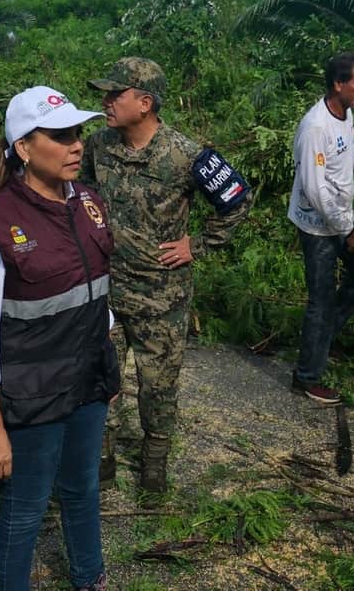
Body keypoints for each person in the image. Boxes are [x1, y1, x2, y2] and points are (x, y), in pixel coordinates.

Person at [0, 86, 118, 591]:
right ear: (24, 147)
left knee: (82, 488)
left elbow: (95, 292)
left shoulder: (88, 201)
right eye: (61, 135)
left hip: (88, 379)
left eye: (78, 133)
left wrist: (105, 362)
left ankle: (89, 577)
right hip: (32, 389)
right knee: (26, 507)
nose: (77, 144)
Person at [82, 57, 252, 494]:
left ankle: (154, 462)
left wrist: (197, 245)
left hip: (162, 296)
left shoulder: (186, 154)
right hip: (105, 289)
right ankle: (100, 457)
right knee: (100, 376)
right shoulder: (97, 146)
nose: (105, 102)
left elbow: (237, 199)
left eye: (114, 94)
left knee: (158, 384)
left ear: (144, 102)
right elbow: (79, 195)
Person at [288, 52, 354, 404]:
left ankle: (323, 339)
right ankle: (306, 377)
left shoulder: (345, 115)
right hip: (319, 228)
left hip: (342, 219)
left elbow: (344, 157)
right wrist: (349, 231)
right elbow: (315, 189)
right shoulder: (315, 127)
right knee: (321, 300)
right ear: (338, 83)